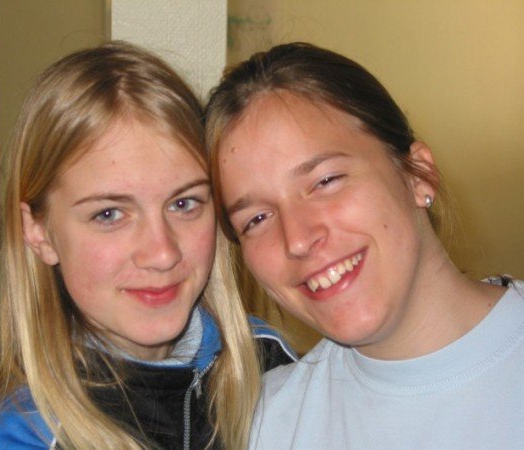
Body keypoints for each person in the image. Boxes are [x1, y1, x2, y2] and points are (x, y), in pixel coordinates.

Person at [0, 41, 295, 450]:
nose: (162, 253)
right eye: (109, 214)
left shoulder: (267, 362)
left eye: (183, 204)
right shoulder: (24, 436)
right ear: (39, 231)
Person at [205, 42, 524, 449]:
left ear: (418, 174)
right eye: (256, 219)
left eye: (325, 181)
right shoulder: (265, 425)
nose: (298, 239)